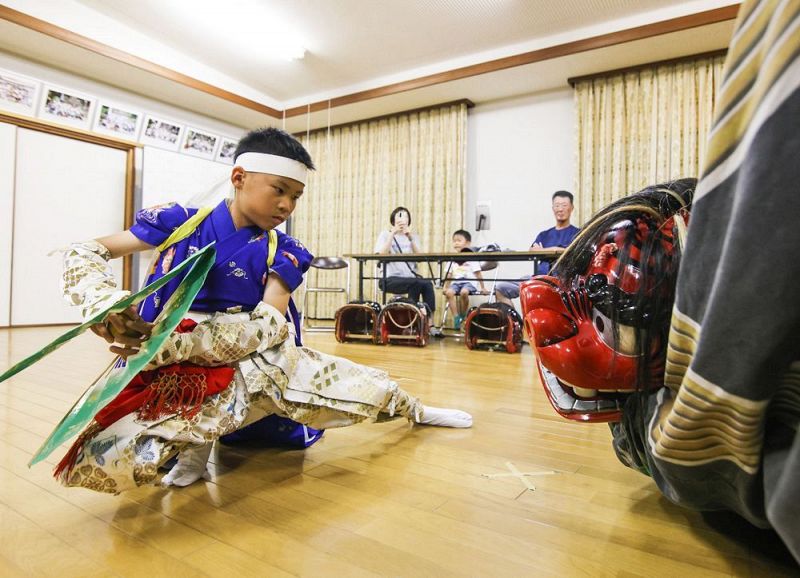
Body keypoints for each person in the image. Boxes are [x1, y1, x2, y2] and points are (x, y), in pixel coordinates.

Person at [56, 127, 472, 494]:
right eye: (279, 189)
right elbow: (89, 250)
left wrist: (182, 344)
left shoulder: (283, 250)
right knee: (108, 453)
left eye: (296, 196)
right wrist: (104, 303)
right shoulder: (180, 221)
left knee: (358, 387)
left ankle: (416, 409)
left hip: (242, 353)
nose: (287, 204)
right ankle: (191, 453)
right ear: (239, 178)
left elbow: (270, 324)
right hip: (162, 356)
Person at [494, 190, 580, 307]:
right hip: (537, 277)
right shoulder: (544, 234)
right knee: (500, 289)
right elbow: (532, 250)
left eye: (564, 205)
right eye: (557, 205)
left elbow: (570, 251)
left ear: (572, 208)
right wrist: (556, 249)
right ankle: (518, 324)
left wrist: (545, 250)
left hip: (561, 281)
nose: (560, 209)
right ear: (553, 208)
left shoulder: (577, 233)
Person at [374, 206, 439, 334]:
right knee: (415, 283)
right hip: (390, 278)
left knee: (426, 284)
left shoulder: (413, 236)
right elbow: (380, 254)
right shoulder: (385, 234)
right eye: (399, 216)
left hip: (410, 277)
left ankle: (429, 324)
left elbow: (420, 257)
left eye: (405, 217)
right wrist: (392, 233)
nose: (402, 220)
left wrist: (410, 237)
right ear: (393, 220)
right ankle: (412, 322)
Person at [443, 230, 487, 329]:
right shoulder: (452, 258)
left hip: (469, 282)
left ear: (467, 243)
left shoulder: (472, 257)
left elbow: (478, 274)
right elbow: (449, 274)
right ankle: (456, 317)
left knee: (464, 292)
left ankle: (463, 315)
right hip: (456, 282)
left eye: (459, 240)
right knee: (449, 293)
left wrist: (483, 287)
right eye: (454, 241)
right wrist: (446, 287)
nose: (456, 243)